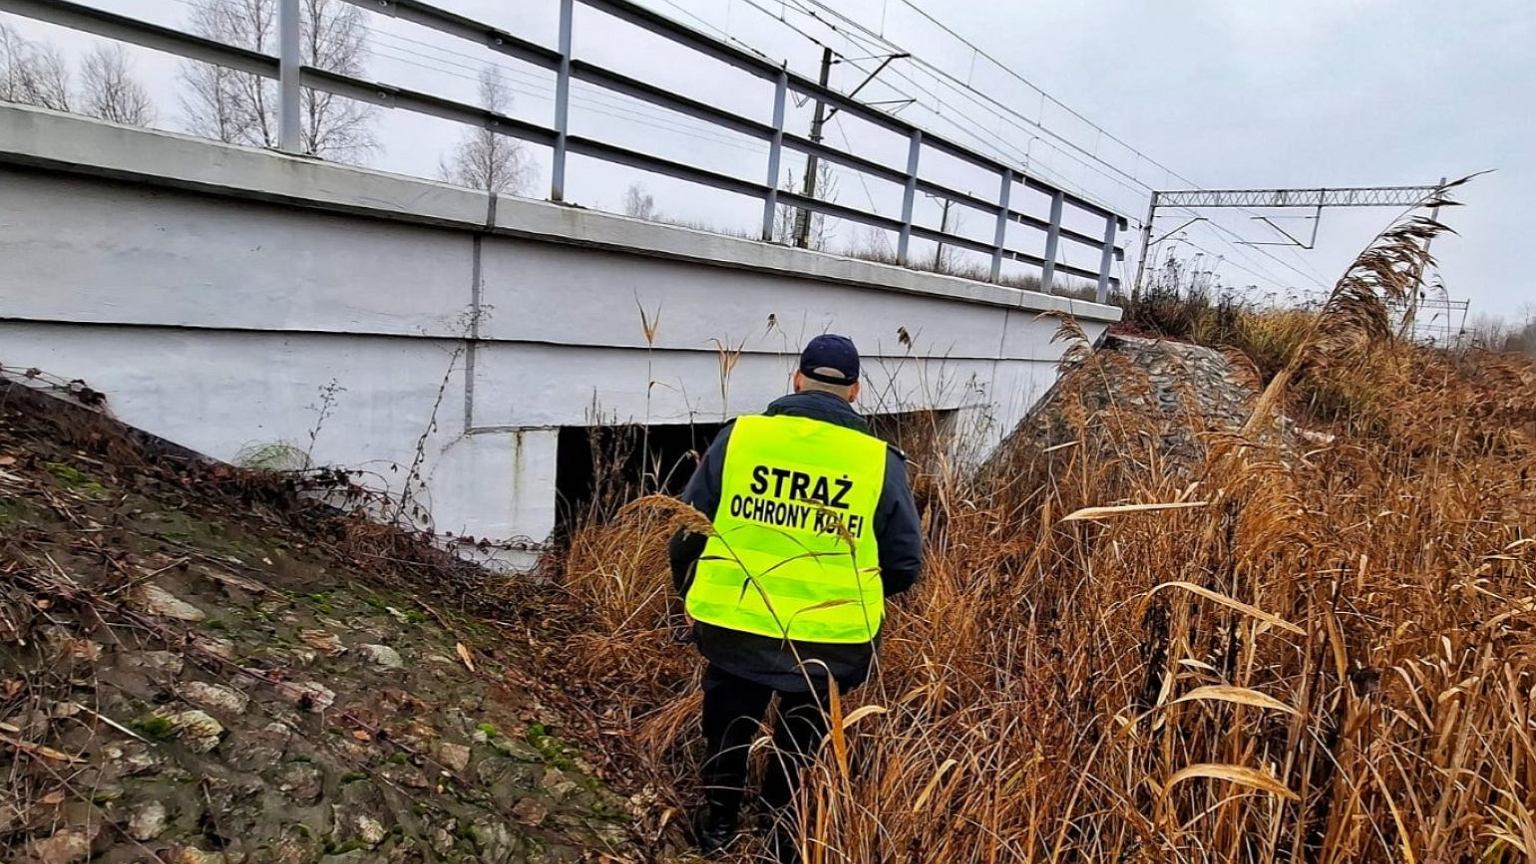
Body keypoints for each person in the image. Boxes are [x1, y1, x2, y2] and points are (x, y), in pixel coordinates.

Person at [669, 334, 924, 862]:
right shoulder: (879, 460)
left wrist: (691, 590)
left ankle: (718, 824)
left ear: (796, 378)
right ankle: (780, 827)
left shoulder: (741, 437)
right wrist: (855, 598)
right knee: (800, 739)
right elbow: (904, 564)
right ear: (854, 391)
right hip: (831, 641)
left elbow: (686, 530)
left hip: (734, 624)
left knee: (729, 725)